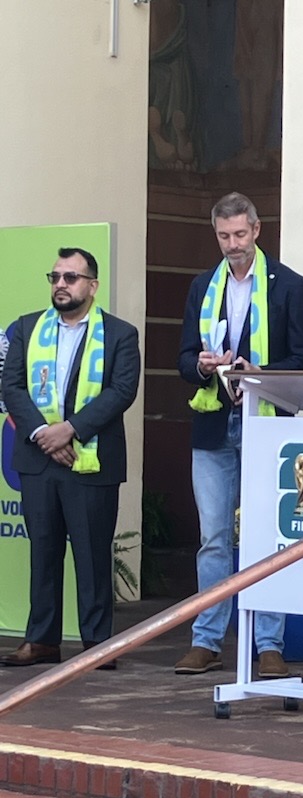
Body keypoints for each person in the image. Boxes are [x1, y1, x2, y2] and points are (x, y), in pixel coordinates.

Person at [175, 191, 303, 677]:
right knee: (213, 538)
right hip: (213, 424)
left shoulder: (291, 286)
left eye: (240, 234)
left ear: (257, 230)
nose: (233, 244)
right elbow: (183, 358)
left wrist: (260, 374)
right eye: (224, 236)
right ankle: (206, 640)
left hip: (268, 425)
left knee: (265, 536)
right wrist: (200, 365)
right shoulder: (203, 285)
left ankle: (269, 645)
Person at [0, 248, 141, 668]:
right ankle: (41, 640)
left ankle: (96, 645)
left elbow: (122, 390)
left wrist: (71, 429)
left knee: (92, 555)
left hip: (91, 460)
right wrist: (44, 434)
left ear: (92, 286)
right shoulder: (28, 328)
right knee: (43, 552)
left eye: (71, 277)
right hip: (39, 458)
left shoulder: (120, 334)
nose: (61, 284)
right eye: (56, 277)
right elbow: (12, 387)